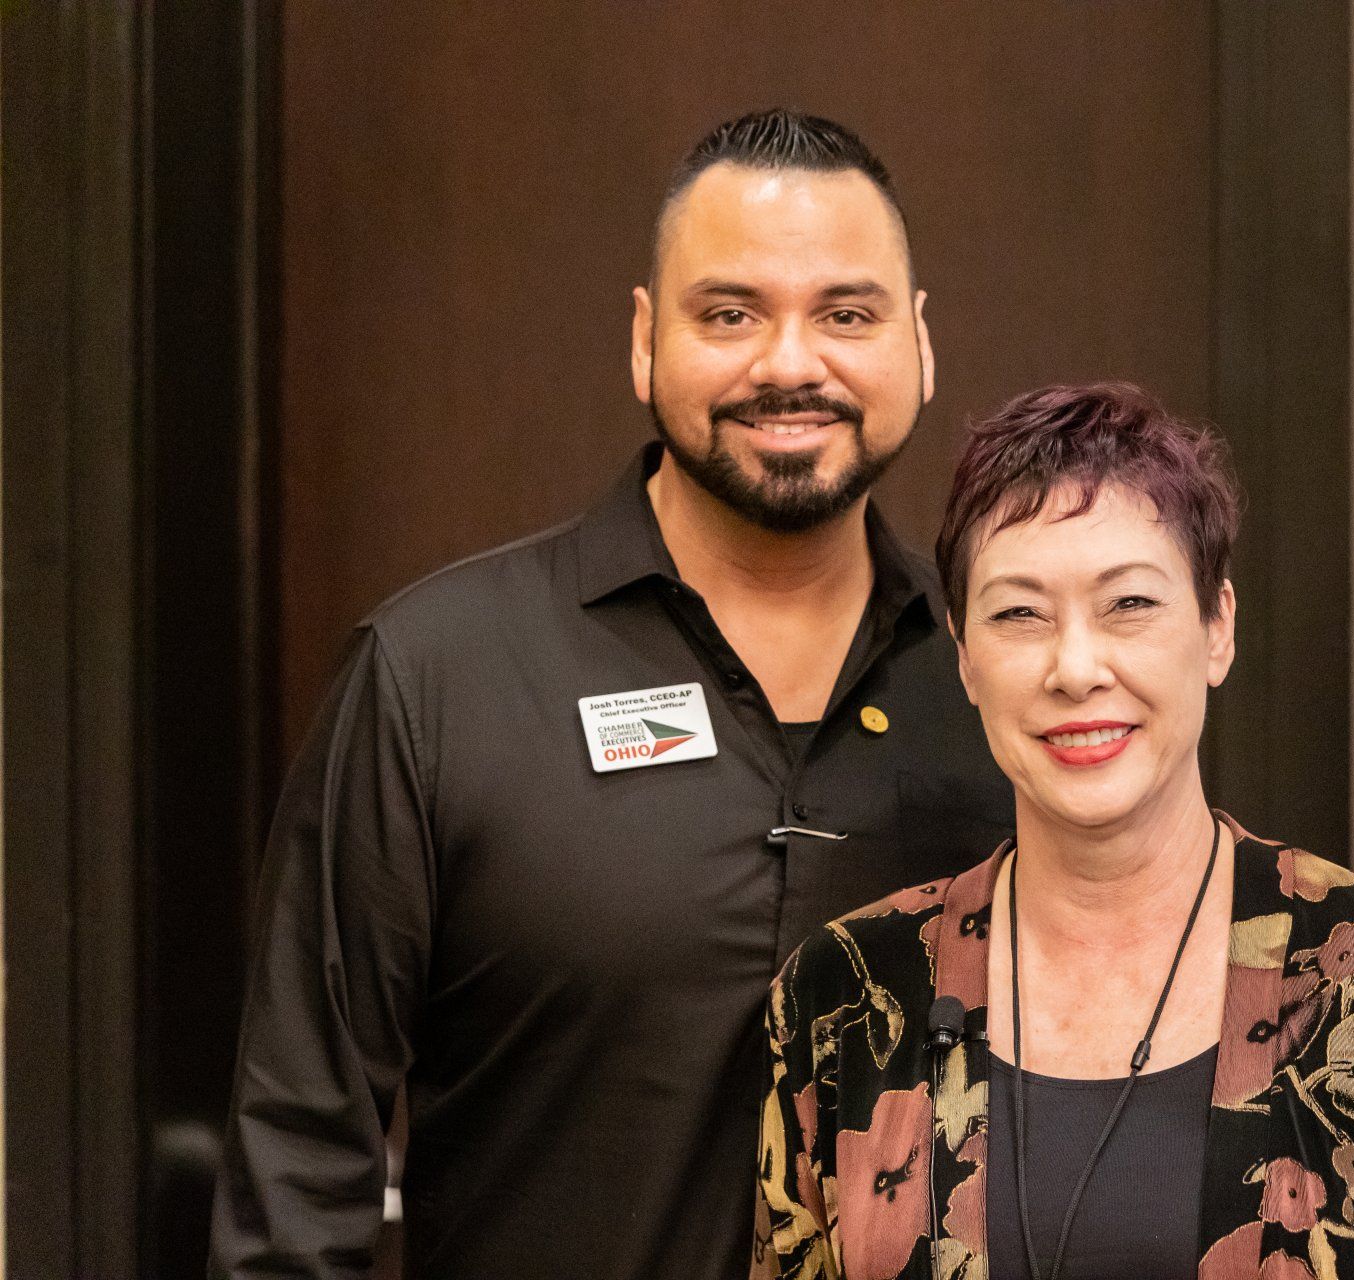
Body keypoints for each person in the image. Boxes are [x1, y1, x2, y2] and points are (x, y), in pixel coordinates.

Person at [210, 109, 1013, 1280]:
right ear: (645, 340)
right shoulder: (437, 678)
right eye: (730, 314)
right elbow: (295, 1177)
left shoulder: (1002, 691)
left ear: (920, 345)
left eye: (847, 315)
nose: (791, 363)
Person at [755, 383, 1354, 1280]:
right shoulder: (844, 996)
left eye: (1129, 604)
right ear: (966, 658)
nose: (1075, 668)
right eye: (1020, 613)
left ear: (1218, 628)